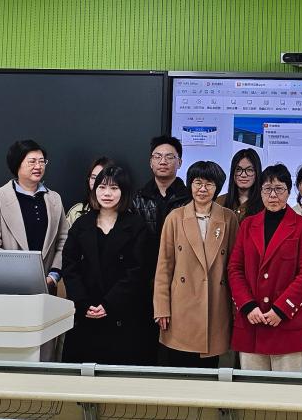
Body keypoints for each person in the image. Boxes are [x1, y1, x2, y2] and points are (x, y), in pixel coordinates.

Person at [61, 164, 155, 365]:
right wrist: (83, 303)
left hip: (123, 314)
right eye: (102, 187)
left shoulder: (136, 225)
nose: (107, 193)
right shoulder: (82, 224)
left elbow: (138, 271)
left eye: (114, 188)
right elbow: (69, 266)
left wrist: (109, 304)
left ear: (124, 191)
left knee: (118, 375)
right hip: (86, 312)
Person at [228, 164, 302, 372]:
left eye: (279, 189)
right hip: (253, 321)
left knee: (286, 390)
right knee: (253, 388)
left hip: (287, 323)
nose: (273, 195)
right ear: (260, 192)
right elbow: (235, 269)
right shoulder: (247, 225)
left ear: (289, 191)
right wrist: (248, 306)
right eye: (267, 189)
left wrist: (281, 309)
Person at [154, 161, 240, 368]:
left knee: (209, 372)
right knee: (179, 368)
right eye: (198, 182)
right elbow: (164, 267)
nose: (202, 189)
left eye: (209, 184)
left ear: (217, 187)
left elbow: (235, 267)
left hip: (216, 305)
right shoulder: (175, 218)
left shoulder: (228, 218)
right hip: (181, 306)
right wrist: (162, 308)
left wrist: (236, 310)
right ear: (190, 184)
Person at [0, 139, 68, 293]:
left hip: (46, 287)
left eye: (42, 161)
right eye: (32, 161)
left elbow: (63, 241)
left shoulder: (54, 199)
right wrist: (20, 277)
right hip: (8, 286)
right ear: (17, 164)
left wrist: (53, 276)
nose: (38, 166)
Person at [131, 135, 191, 236]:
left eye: (169, 157)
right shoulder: (137, 198)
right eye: (157, 157)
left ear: (179, 163)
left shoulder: (189, 198)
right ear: (151, 162)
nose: (163, 162)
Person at [66, 156, 114, 225]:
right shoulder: (77, 211)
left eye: (101, 178)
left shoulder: (124, 215)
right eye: (93, 178)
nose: (96, 182)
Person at [216, 148, 263, 218]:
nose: (243, 175)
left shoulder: (265, 203)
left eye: (249, 170)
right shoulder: (219, 202)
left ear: (257, 173)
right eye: (238, 170)